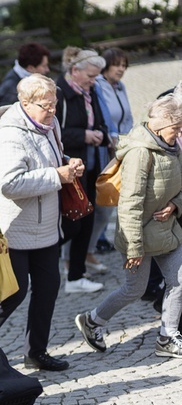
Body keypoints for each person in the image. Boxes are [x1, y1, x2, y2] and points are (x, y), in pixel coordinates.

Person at [0, 74, 84, 371]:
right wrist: (57, 176)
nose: (53, 110)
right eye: (46, 105)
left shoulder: (48, 124)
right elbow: (9, 184)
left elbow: (49, 158)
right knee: (11, 295)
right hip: (16, 228)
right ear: (25, 103)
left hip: (45, 227)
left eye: (55, 103)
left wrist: (68, 163)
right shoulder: (9, 136)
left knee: (49, 287)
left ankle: (36, 352)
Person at [75, 94, 182, 357]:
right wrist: (134, 248)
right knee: (135, 289)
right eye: (176, 126)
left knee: (179, 281)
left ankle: (167, 337)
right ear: (159, 124)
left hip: (166, 229)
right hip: (138, 233)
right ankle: (92, 320)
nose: (179, 132)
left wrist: (175, 205)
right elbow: (129, 204)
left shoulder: (172, 146)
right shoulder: (140, 153)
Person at [56, 47, 109, 293]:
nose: (94, 80)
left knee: (86, 219)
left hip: (89, 162)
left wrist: (102, 135)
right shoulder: (60, 94)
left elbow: (98, 120)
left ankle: (76, 276)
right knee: (73, 223)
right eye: (90, 75)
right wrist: (86, 135)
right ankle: (55, 267)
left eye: (96, 76)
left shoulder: (90, 90)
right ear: (75, 71)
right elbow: (57, 133)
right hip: (69, 167)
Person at [90, 48, 133, 258]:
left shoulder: (120, 86)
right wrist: (113, 137)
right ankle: (91, 246)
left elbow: (127, 117)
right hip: (106, 150)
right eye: (117, 64)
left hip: (123, 148)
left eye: (124, 65)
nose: (121, 69)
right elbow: (105, 118)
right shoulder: (97, 85)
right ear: (107, 65)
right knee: (105, 200)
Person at [0, 43, 51, 109]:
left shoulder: (26, 78)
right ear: (30, 68)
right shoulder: (11, 91)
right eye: (44, 66)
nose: (47, 69)